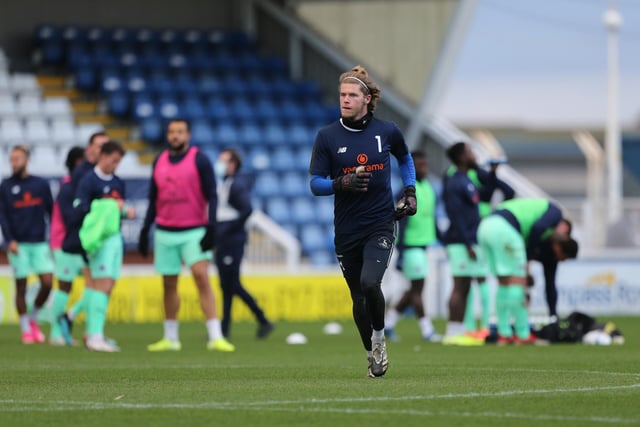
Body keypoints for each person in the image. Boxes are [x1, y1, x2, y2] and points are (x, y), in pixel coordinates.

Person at [309, 65, 417, 378]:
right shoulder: (327, 137)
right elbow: (315, 183)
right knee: (358, 297)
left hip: (380, 223)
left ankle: (380, 339)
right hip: (346, 230)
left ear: (366, 99)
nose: (345, 99)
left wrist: (410, 190)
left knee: (371, 283)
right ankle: (371, 354)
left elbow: (405, 158)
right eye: (342, 94)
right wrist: (340, 184)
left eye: (352, 94)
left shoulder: (387, 131)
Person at [139, 119, 235, 352]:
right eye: (171, 132)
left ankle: (215, 336)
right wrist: (145, 228)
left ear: (188, 135)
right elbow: (154, 198)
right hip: (165, 231)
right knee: (168, 283)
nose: (175, 136)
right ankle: (170, 338)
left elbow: (212, 195)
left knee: (201, 277)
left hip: (194, 229)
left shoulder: (199, 159)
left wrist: (211, 227)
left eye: (179, 132)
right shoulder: (159, 160)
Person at [477, 198, 578, 344]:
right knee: (517, 284)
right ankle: (523, 334)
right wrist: (526, 262)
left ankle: (504, 333)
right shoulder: (555, 212)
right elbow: (537, 229)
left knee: (504, 283)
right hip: (504, 228)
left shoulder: (546, 227)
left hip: (485, 227)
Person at [65, 140, 135, 351]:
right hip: (98, 240)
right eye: (113, 161)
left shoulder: (118, 182)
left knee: (108, 285)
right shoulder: (89, 181)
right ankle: (95, 336)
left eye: (118, 162)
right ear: (103, 156)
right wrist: (111, 206)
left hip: (115, 238)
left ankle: (93, 333)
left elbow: (118, 209)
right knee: (100, 285)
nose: (115, 166)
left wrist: (124, 211)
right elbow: (80, 208)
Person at [214, 148, 274, 339]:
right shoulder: (226, 183)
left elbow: (247, 209)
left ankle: (259, 319)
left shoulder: (236, 185)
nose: (219, 164)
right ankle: (226, 328)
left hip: (232, 239)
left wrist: (227, 228)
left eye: (223, 161)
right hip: (225, 238)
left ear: (233, 164)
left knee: (230, 284)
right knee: (228, 284)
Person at [384, 151, 441, 342]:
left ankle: (388, 325)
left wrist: (444, 238)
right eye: (420, 166)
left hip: (424, 245)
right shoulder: (404, 191)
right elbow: (402, 222)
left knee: (412, 290)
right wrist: (401, 250)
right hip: (410, 247)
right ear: (412, 169)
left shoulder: (429, 188)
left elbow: (430, 218)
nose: (424, 168)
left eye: (425, 165)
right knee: (417, 290)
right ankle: (427, 330)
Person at [58, 131, 109, 341]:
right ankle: (89, 332)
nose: (102, 150)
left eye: (106, 146)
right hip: (85, 237)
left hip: (97, 237)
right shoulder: (84, 174)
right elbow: (78, 206)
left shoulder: (101, 173)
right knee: (96, 284)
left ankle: (86, 328)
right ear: (90, 149)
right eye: (98, 146)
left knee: (100, 284)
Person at [0, 145, 54, 344]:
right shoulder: (5, 185)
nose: (14, 163)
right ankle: (25, 328)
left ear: (27, 160)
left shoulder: (40, 184)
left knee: (47, 282)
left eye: (17, 159)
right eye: (11, 159)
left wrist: (54, 239)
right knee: (21, 286)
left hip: (39, 242)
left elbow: (51, 211)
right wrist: (9, 240)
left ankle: (33, 319)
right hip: (18, 244)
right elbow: (3, 216)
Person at [463, 160, 515, 338]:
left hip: (474, 230)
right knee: (479, 278)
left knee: (470, 279)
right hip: (482, 228)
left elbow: (503, 190)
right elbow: (506, 190)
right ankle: (484, 325)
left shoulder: (464, 174)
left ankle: (473, 326)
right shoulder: (473, 174)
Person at [440, 142, 486, 346]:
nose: (474, 155)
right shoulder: (455, 183)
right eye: (470, 152)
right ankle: (451, 333)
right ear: (461, 158)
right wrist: (467, 243)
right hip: (460, 242)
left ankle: (459, 331)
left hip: (468, 240)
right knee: (459, 285)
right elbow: (455, 215)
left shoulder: (466, 179)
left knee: (465, 285)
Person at [48, 146, 87, 346]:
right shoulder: (68, 186)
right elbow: (70, 217)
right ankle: (56, 333)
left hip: (81, 242)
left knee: (97, 284)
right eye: (82, 162)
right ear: (74, 164)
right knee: (64, 285)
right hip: (62, 241)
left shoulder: (82, 184)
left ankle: (69, 316)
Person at [530, 218, 572, 321]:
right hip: (531, 250)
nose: (561, 232)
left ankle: (553, 316)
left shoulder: (555, 253)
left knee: (550, 285)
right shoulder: (541, 232)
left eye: (565, 232)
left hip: (548, 258)